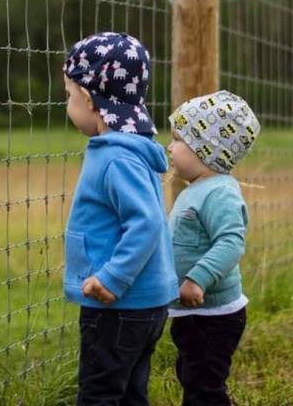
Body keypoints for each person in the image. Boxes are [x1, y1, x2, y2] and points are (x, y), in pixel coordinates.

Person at [62, 31, 179, 405]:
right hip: (143, 305)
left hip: (117, 304)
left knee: (99, 394)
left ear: (90, 99)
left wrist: (113, 277)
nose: (67, 103)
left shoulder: (116, 159)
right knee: (129, 393)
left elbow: (146, 222)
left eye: (68, 95)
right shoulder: (130, 151)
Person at [166, 90, 261, 406]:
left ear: (206, 149)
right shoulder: (198, 189)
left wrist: (197, 279)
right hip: (195, 312)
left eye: (178, 140)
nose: (170, 147)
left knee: (205, 386)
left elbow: (231, 242)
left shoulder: (219, 193)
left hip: (213, 315)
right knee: (193, 376)